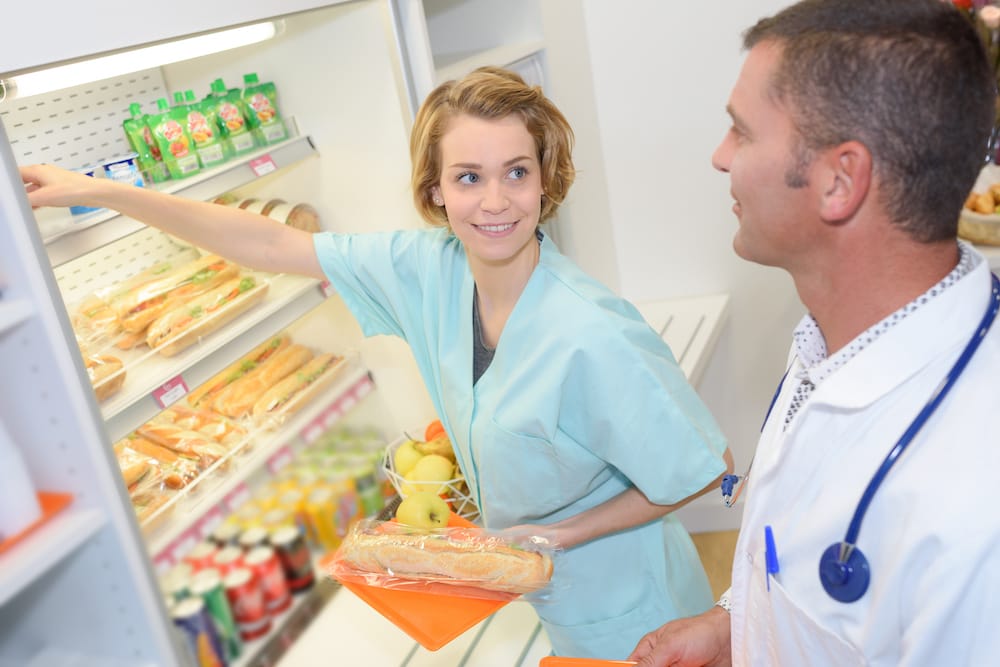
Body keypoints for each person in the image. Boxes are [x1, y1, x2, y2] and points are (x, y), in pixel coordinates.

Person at [21, 66, 733, 659]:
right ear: (434, 191)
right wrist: (101, 192)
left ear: (545, 180)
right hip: (554, 603)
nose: (495, 201)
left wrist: (558, 534)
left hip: (638, 617)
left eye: (517, 172)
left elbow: (704, 464)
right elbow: (272, 245)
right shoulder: (428, 269)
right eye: (468, 177)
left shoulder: (591, 330)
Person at [628, 0, 1000, 665]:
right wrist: (737, 624)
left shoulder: (975, 514)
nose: (719, 158)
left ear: (839, 181)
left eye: (741, 132)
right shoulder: (839, 336)